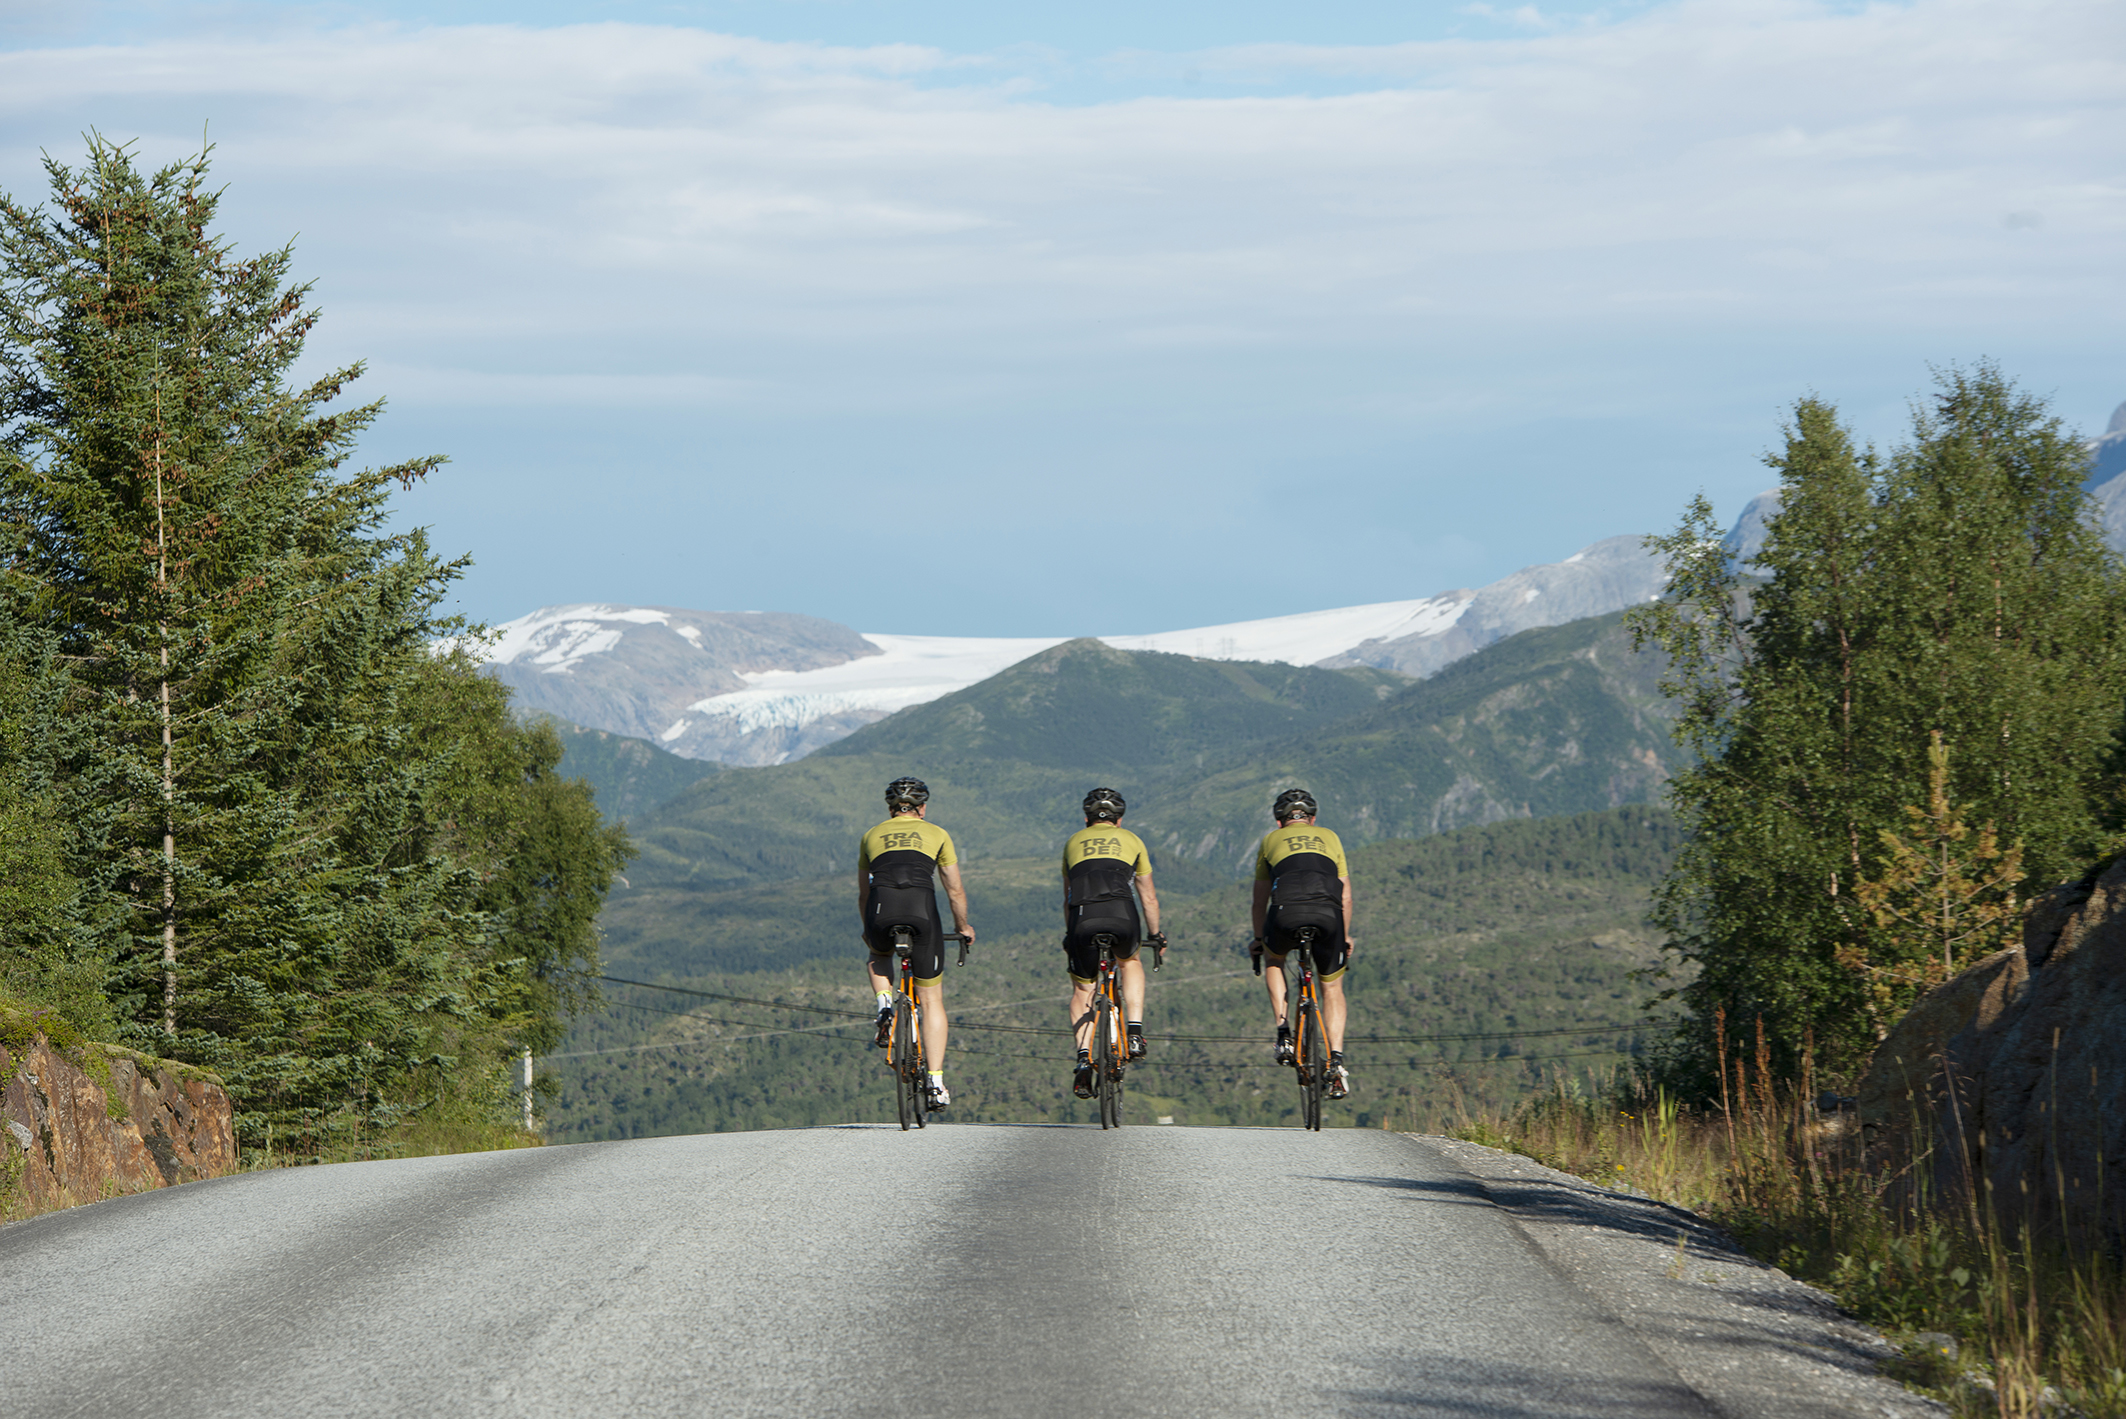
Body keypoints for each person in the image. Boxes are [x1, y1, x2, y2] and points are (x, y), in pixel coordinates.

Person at [859, 777, 975, 1111]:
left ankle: (884, 1004)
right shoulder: (938, 833)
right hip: (923, 913)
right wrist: (962, 927)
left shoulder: (870, 835)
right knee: (931, 999)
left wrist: (868, 928)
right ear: (922, 808)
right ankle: (936, 1083)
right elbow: (954, 890)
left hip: (881, 910)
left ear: (891, 809)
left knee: (877, 954)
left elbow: (863, 893)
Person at [1060, 787, 1164, 1099]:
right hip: (1122, 916)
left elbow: (1067, 898)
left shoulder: (1072, 842)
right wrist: (1156, 935)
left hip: (1083, 918)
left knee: (1083, 989)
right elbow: (1148, 897)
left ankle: (1082, 1060)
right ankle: (1134, 1032)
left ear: (1086, 819)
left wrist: (1071, 934)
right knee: (1130, 961)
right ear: (1119, 820)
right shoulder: (1133, 840)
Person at [1251, 787, 1354, 1099]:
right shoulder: (1331, 837)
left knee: (1274, 960)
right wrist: (1345, 935)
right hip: (1329, 914)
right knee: (1332, 988)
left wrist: (1258, 939)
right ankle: (1335, 1060)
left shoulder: (1270, 840)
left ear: (1280, 821)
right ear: (1313, 819)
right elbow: (1346, 893)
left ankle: (1284, 1033)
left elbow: (1260, 900)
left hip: (1285, 914)